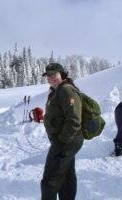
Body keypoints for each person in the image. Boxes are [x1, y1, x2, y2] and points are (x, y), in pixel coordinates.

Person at [41, 63, 84, 200]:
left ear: (62, 74)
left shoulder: (66, 90)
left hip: (67, 140)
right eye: (48, 75)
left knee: (50, 180)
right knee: (66, 176)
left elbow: (74, 119)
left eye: (54, 74)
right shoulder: (56, 91)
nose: (50, 77)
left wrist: (61, 141)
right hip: (65, 139)